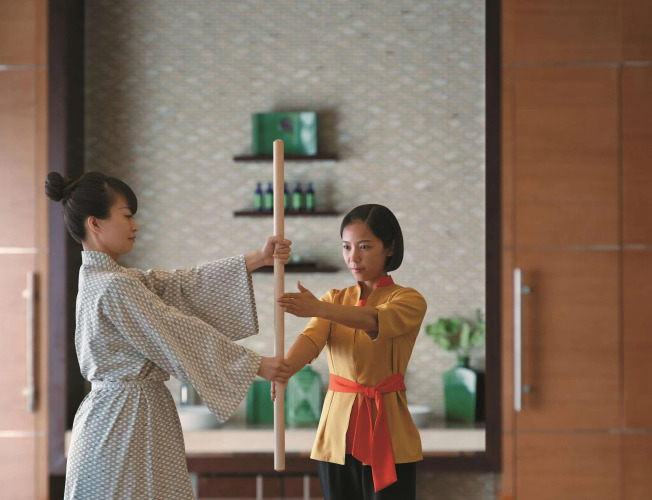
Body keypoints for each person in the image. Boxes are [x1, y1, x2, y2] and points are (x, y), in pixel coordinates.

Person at [45, 171, 291, 499]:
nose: (135, 226)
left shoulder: (105, 279)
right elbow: (173, 329)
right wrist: (256, 364)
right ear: (95, 223)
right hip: (123, 422)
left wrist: (259, 258)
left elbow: (177, 285)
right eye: (127, 216)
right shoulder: (114, 285)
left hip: (119, 417)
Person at [276, 204, 427, 500]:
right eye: (346, 247)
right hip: (336, 435)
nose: (353, 257)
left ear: (390, 248)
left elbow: (373, 319)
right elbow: (312, 338)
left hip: (389, 433)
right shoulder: (334, 299)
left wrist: (319, 308)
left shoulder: (409, 299)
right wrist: (283, 371)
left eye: (364, 247)